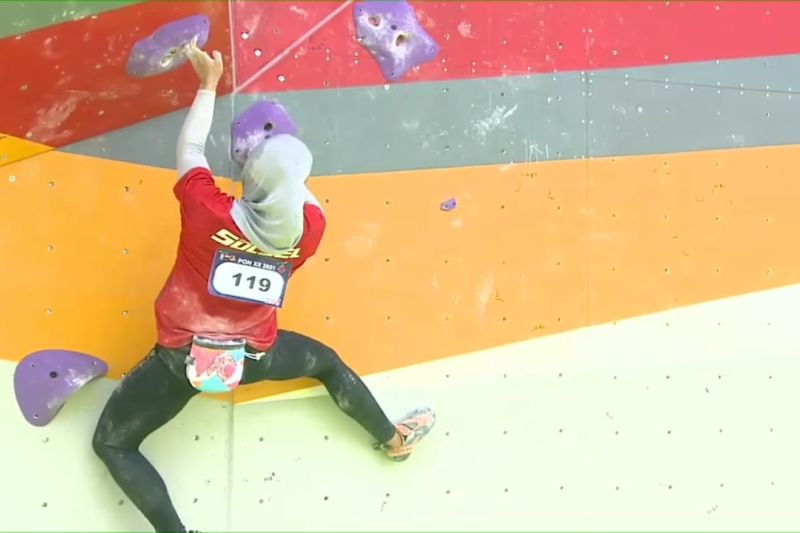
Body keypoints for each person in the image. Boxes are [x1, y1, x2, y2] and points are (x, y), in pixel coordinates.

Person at [91, 41, 435, 533]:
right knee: (327, 364)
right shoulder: (309, 231)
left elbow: (190, 150)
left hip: (181, 364)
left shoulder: (207, 212)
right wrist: (283, 162)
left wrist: (208, 84)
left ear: (248, 177)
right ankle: (393, 439)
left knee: (112, 442)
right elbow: (299, 192)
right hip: (254, 360)